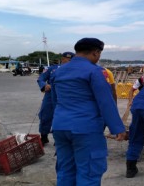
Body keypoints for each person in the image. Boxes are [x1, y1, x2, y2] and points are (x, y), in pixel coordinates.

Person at [50, 38, 126, 186]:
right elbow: (106, 102)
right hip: (85, 128)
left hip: (60, 126)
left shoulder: (59, 72)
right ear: (95, 52)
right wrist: (117, 128)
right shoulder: (95, 71)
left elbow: (55, 100)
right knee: (89, 172)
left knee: (65, 170)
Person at [36, 51, 74, 145]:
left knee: (62, 117)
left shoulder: (75, 70)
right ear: (62, 59)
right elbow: (41, 78)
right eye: (67, 59)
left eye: (71, 59)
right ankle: (44, 136)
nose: (69, 61)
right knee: (45, 115)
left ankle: (58, 138)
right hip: (50, 95)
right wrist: (44, 85)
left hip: (65, 97)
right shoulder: (52, 69)